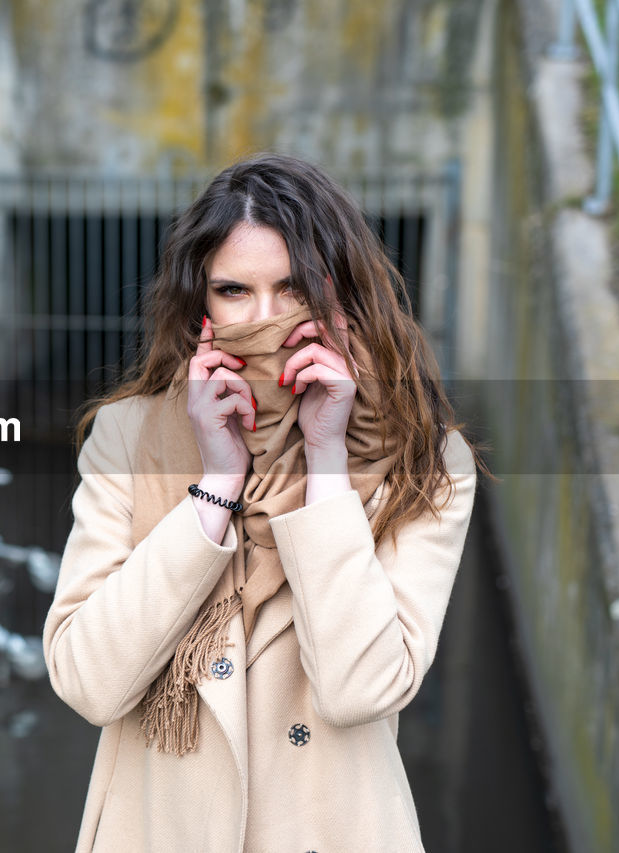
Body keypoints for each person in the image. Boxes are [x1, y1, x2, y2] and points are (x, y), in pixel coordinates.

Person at [41, 152, 489, 852]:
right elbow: (89, 681)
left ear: (339, 295)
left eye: (292, 288)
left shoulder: (422, 461)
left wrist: (327, 461)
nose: (266, 318)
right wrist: (215, 486)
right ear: (201, 308)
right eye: (234, 291)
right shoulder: (129, 439)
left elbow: (362, 687)